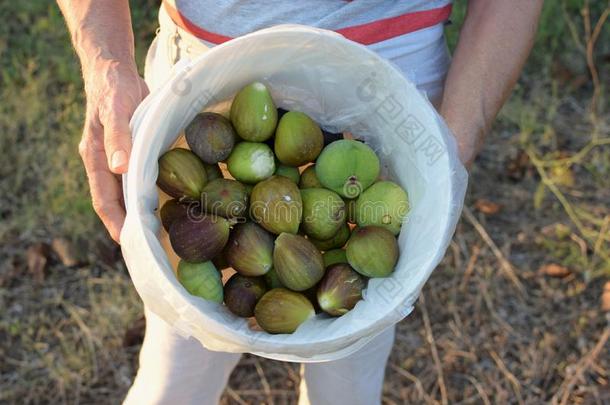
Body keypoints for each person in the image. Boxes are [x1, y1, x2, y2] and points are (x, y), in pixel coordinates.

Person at [58, 1, 543, 404]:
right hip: (202, 82)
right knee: (178, 360)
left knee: (350, 357)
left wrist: (450, 148)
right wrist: (107, 64)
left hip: (391, 96)